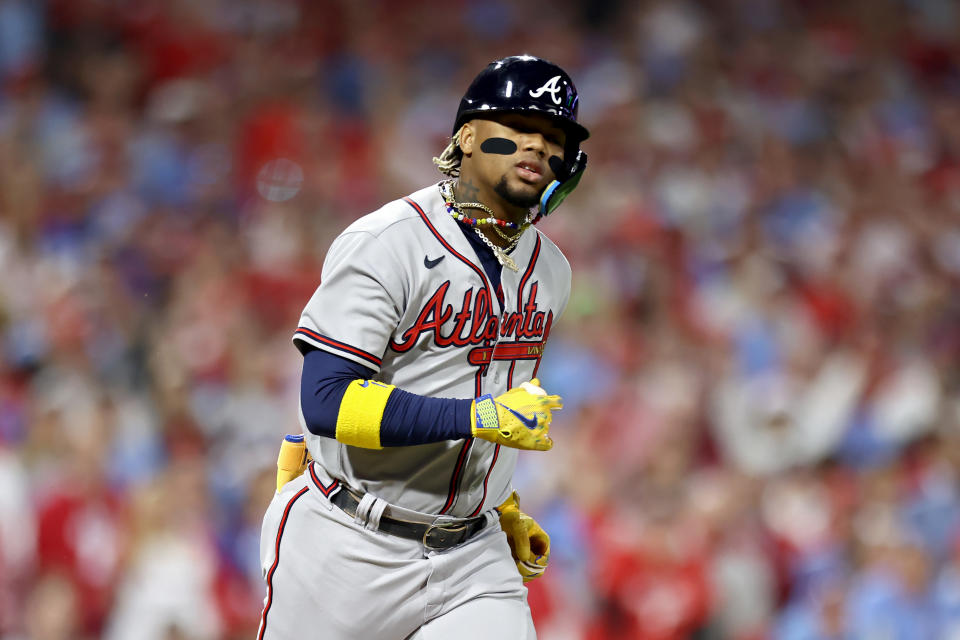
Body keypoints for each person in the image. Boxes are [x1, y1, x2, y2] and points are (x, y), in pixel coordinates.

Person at [256, 54, 589, 640]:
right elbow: (327, 403)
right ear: (466, 136)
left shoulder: (552, 273)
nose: (537, 145)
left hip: (473, 559)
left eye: (553, 136)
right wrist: (479, 420)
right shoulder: (387, 242)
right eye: (517, 128)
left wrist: (498, 503)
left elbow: (478, 386)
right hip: (348, 543)